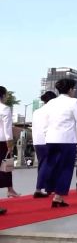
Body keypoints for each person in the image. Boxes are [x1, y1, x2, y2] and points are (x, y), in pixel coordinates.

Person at [44, 79, 77, 207]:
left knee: (53, 166)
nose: (75, 90)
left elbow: (45, 122)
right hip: (66, 140)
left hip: (50, 139)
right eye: (74, 88)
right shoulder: (74, 102)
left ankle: (52, 191)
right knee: (65, 168)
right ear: (70, 89)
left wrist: (46, 135)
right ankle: (58, 196)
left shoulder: (51, 103)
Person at [31, 91, 57, 198]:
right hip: (48, 140)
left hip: (37, 141)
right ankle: (40, 188)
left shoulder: (37, 111)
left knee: (43, 164)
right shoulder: (53, 111)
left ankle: (46, 188)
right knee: (48, 164)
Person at [0, 86, 18, 215]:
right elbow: (7, 129)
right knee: (4, 168)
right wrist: (10, 145)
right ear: (3, 95)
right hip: (1, 143)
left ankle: (10, 189)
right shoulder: (4, 109)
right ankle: (10, 189)